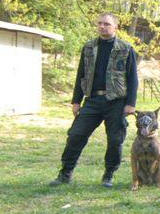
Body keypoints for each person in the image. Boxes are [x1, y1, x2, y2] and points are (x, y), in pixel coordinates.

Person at [49, 13, 138, 188]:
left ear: (115, 27)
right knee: (76, 135)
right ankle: (65, 173)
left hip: (116, 101)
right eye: (100, 23)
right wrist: (76, 101)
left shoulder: (126, 49)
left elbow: (133, 78)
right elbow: (81, 74)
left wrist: (130, 104)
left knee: (115, 140)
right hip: (93, 100)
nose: (102, 27)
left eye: (107, 24)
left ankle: (108, 174)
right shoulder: (89, 47)